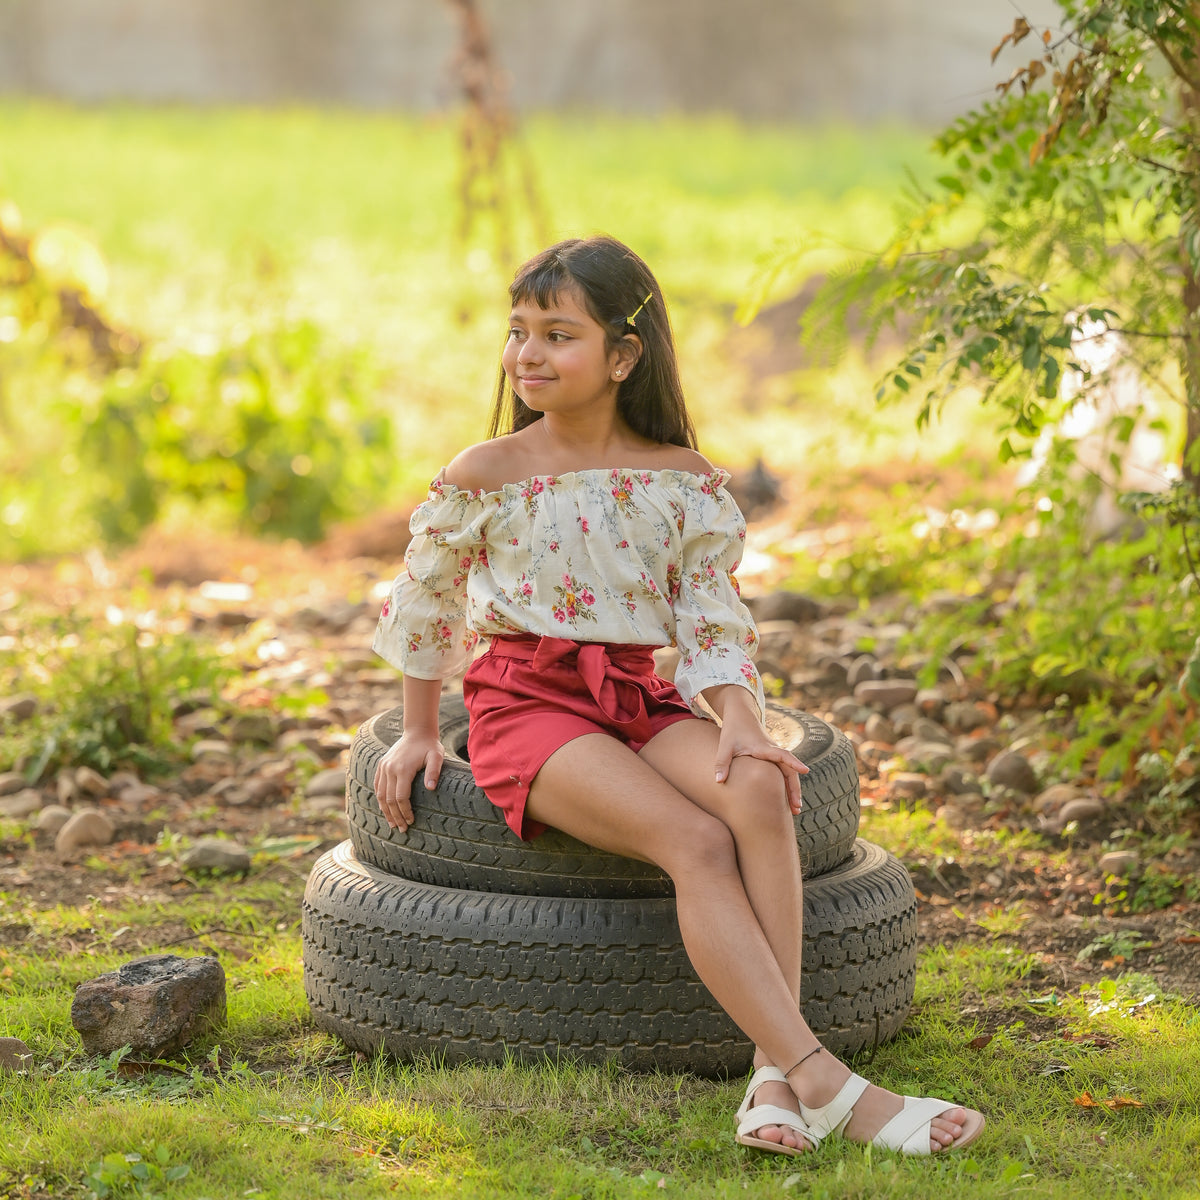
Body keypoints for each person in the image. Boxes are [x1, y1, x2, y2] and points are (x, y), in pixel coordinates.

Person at [371, 235, 985, 1158]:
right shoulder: (486, 471)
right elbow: (426, 603)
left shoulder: (683, 481)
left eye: (557, 335)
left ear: (623, 356)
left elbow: (710, 624)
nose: (526, 355)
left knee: (759, 792)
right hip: (526, 704)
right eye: (517, 332)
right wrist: (420, 731)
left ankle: (770, 1077)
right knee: (693, 840)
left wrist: (742, 722)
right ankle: (824, 1080)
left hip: (635, 698)